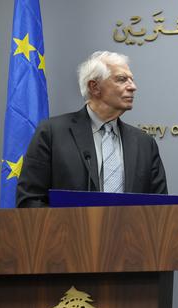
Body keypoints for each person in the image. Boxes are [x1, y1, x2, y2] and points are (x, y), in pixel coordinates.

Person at [16, 51, 167, 207]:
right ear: (94, 87)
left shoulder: (145, 143)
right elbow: (30, 201)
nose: (133, 87)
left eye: (131, 80)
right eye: (122, 79)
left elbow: (162, 208)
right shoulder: (52, 133)